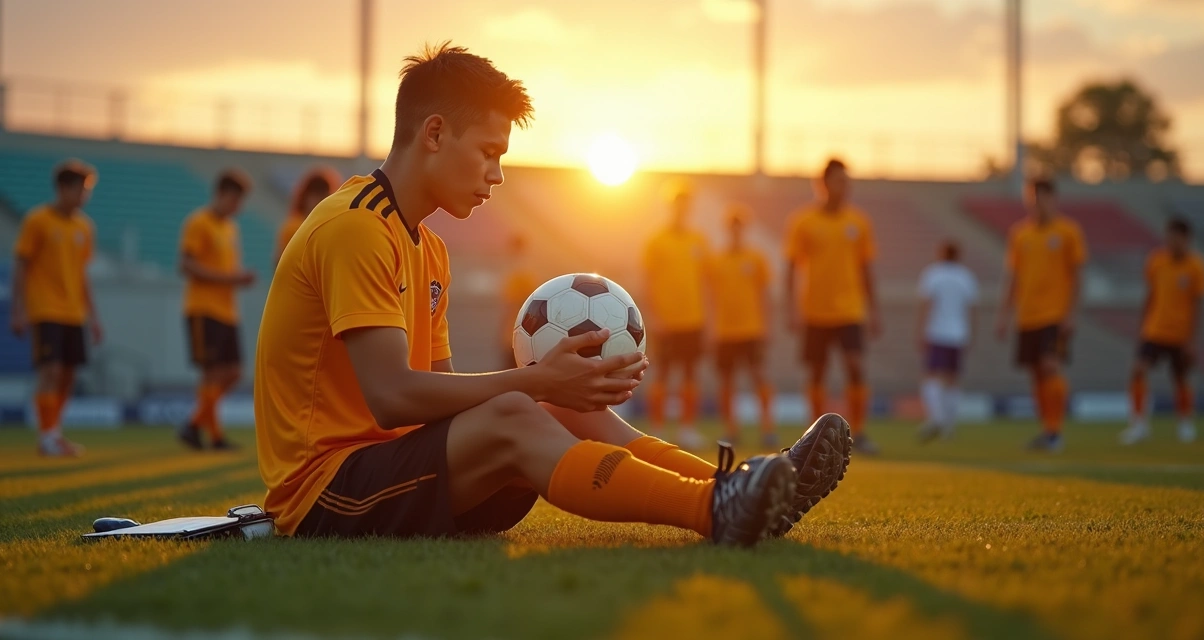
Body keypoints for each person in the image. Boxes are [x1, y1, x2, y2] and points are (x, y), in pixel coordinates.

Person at [254, 43, 851, 547]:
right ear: (434, 133)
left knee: (552, 406)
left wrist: (563, 392)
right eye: (488, 152)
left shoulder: (427, 247)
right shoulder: (355, 227)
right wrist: (536, 382)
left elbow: (439, 392)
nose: (497, 174)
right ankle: (716, 510)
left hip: (399, 474)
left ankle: (739, 488)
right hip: (326, 493)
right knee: (522, 404)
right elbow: (392, 398)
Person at [784, 159, 881, 455]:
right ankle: (815, 434)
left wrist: (873, 310)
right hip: (815, 311)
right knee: (817, 373)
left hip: (850, 310)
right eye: (839, 181)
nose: (845, 187)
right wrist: (790, 307)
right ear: (823, 184)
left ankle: (860, 432)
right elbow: (790, 268)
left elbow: (866, 269)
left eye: (847, 181)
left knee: (855, 366)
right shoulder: (803, 222)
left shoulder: (859, 222)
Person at [10, 160, 103, 457]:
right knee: (50, 370)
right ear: (63, 188)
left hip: (74, 312)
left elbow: (81, 274)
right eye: (80, 189)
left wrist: (94, 316)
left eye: (87, 190)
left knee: (68, 374)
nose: (83, 196)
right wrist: (18, 310)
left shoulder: (84, 227)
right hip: (46, 308)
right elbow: (22, 266)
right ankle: (46, 436)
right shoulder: (37, 221)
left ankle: (54, 432)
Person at [996, 177, 1087, 453]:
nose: (1037, 203)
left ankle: (1055, 432)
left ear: (1053, 198)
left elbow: (1077, 275)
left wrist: (1071, 314)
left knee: (1050, 367)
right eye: (1032, 197)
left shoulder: (1068, 232)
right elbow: (1014, 278)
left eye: (1043, 197)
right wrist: (1004, 315)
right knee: (1036, 375)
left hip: (1054, 315)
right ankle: (1046, 430)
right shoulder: (1020, 234)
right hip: (1027, 316)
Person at [177, 169, 257, 451]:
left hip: (227, 311)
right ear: (221, 194)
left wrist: (239, 277)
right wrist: (231, 278)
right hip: (203, 309)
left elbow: (226, 270)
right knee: (211, 373)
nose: (238, 207)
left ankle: (194, 424)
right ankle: (215, 436)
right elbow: (186, 265)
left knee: (234, 372)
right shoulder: (199, 223)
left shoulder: (230, 228)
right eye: (235, 200)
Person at [1121, 217, 1204, 445]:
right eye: (1168, 237)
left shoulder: (1196, 267)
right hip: (1155, 330)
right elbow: (1151, 295)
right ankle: (1139, 424)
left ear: (1186, 239)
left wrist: (1191, 340)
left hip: (1180, 334)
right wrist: (1143, 325)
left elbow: (1198, 305)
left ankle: (1185, 423)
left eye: (1175, 238)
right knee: (1138, 370)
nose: (1170, 242)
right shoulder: (1156, 261)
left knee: (1181, 379)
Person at [640, 180, 710, 449]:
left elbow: (705, 280)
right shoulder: (657, 241)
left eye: (687, 205)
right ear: (671, 206)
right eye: (678, 204)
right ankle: (657, 426)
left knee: (690, 374)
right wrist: (654, 316)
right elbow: (648, 281)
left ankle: (686, 428)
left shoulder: (698, 241)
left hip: (693, 319)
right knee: (662, 374)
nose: (683, 210)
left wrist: (708, 316)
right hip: (666, 321)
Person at [706, 204, 776, 447]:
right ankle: (731, 429)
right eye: (732, 227)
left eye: (739, 227)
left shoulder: (756, 259)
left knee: (759, 378)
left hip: (751, 329)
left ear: (744, 229)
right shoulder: (716, 260)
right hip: (725, 330)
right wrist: (712, 326)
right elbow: (711, 296)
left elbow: (764, 294)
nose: (736, 232)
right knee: (727, 382)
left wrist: (766, 325)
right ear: (727, 229)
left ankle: (768, 428)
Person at [915, 240, 978, 443]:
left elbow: (927, 305)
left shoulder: (933, 274)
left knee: (932, 376)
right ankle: (949, 426)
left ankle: (937, 419)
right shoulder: (966, 277)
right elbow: (971, 309)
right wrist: (970, 335)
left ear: (941, 254)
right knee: (952, 379)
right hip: (958, 334)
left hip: (937, 332)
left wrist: (921, 331)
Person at [273, 166, 341, 271]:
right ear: (305, 197)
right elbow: (280, 263)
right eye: (316, 195)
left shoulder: (328, 227)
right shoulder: (294, 227)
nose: (320, 201)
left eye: (324, 196)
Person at [501, 234, 541, 370]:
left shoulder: (523, 273)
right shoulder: (516, 271)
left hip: (518, 334)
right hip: (511, 333)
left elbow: (525, 305)